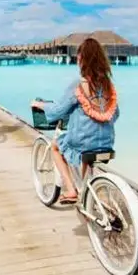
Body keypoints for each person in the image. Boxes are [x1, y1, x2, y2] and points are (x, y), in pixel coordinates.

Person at [30, 38, 119, 204]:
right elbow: (115, 114)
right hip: (107, 142)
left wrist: (40, 105)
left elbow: (58, 111)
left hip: (83, 142)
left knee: (56, 146)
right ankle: (86, 194)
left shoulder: (78, 86)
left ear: (82, 60)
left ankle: (71, 190)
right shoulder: (108, 86)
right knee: (85, 155)